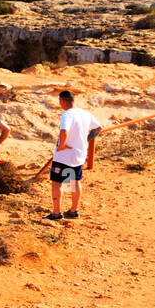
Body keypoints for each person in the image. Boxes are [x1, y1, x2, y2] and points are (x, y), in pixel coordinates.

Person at [48, 89, 103, 220]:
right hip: (79, 154)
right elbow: (98, 128)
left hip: (64, 156)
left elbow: (63, 131)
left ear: (62, 100)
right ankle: (73, 211)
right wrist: (85, 140)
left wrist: (61, 146)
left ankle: (56, 213)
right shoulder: (85, 114)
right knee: (74, 181)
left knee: (57, 182)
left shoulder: (67, 115)